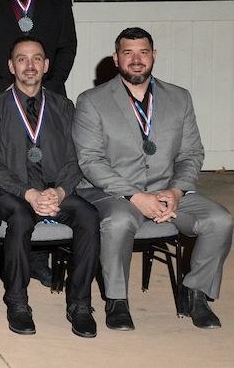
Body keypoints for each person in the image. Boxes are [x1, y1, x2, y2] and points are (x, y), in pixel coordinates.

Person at [74, 27, 233, 331]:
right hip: (114, 193)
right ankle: (117, 300)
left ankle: (195, 293)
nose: (136, 59)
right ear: (116, 58)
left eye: (143, 52)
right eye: (128, 53)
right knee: (118, 222)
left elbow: (191, 154)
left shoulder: (179, 98)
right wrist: (136, 196)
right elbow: (90, 161)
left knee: (220, 220)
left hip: (168, 190)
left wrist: (176, 191)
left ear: (154, 56)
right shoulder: (92, 101)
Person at [0, 36, 99, 337]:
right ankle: (18, 302)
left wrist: (59, 191)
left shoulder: (63, 106)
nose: (29, 65)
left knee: (88, 216)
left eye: (36, 58)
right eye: (22, 58)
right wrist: (29, 194)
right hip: (13, 193)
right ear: (11, 66)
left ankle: (81, 304)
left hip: (55, 191)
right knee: (20, 219)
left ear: (46, 65)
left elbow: (76, 159)